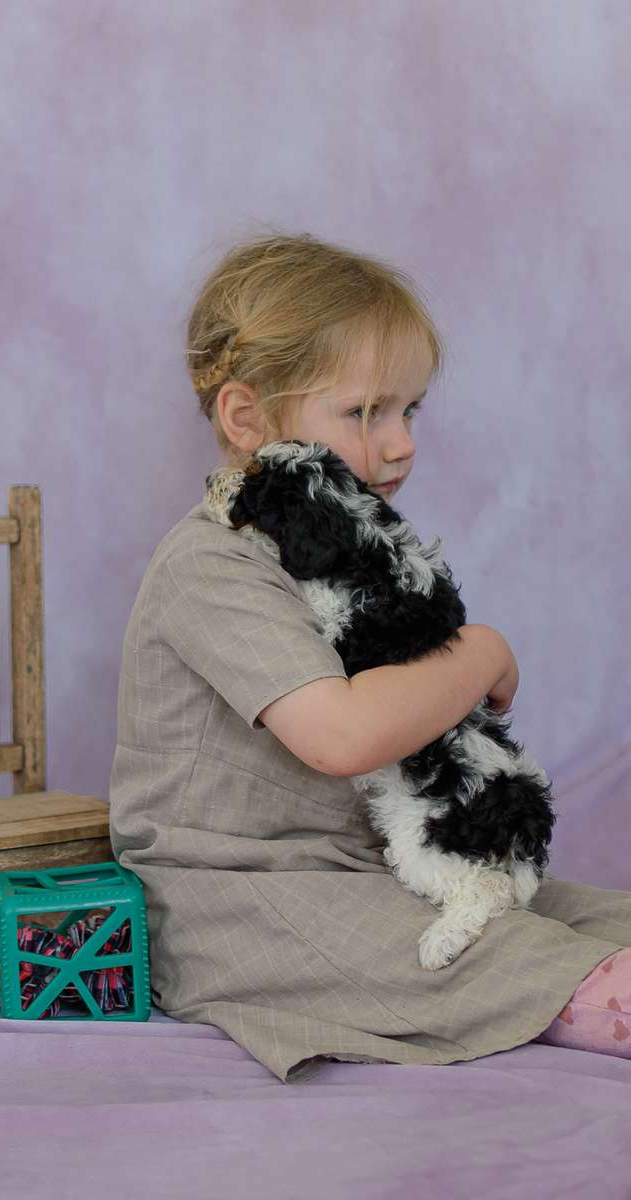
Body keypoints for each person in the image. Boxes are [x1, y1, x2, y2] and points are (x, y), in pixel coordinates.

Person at [108, 231, 631, 1083]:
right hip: (240, 896)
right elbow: (342, 738)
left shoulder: (346, 553)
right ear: (246, 418)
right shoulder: (209, 563)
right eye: (363, 414)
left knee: (586, 914)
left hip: (366, 861)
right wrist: (478, 651)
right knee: (504, 961)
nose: (400, 443)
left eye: (408, 411)